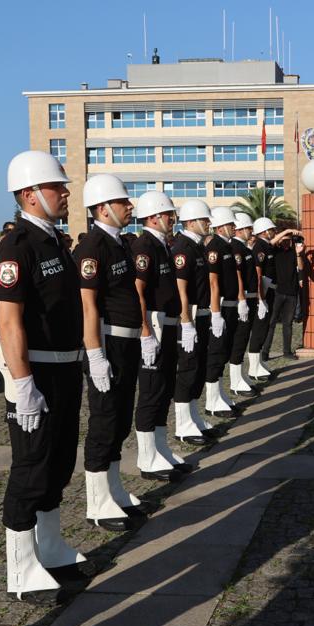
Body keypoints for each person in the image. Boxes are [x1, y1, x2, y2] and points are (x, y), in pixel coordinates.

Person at [0, 150, 90, 604]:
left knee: (59, 461)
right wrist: (22, 383)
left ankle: (49, 547)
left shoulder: (56, 243)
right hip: (37, 372)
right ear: (29, 195)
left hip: (65, 367)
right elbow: (9, 322)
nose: (65, 193)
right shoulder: (17, 247)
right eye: (56, 187)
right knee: (30, 468)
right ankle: (20, 567)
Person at [72, 174, 149, 531]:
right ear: (103, 208)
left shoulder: (118, 243)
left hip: (127, 339)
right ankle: (97, 500)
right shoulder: (91, 247)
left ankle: (114, 490)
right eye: (122, 202)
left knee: (119, 420)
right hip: (109, 342)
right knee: (104, 421)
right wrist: (96, 355)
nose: (129, 206)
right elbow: (88, 305)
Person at [131, 190, 196, 481]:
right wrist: (145, 331)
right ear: (155, 216)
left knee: (164, 389)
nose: (173, 218)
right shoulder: (145, 246)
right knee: (151, 392)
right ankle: (147, 457)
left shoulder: (161, 245)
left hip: (168, 323)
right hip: (154, 325)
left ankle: (160, 449)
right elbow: (138, 291)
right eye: (169, 214)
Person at [171, 199, 220, 445]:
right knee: (188, 370)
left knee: (198, 369)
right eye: (205, 220)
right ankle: (183, 424)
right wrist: (186, 322)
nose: (209, 223)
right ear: (191, 221)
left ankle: (193, 416)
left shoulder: (198, 246)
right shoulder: (182, 248)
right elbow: (181, 288)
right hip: (188, 317)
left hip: (200, 314)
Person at [201, 207, 244, 417]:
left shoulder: (226, 246)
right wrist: (216, 313)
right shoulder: (215, 247)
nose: (234, 228)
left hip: (230, 305)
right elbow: (213, 280)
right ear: (220, 226)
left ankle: (219, 394)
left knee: (225, 351)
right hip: (220, 306)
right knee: (216, 353)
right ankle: (211, 401)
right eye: (231, 224)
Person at [227, 212, 261, 395]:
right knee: (239, 340)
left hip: (249, 297)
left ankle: (240, 375)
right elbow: (238, 275)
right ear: (239, 229)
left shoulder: (245, 248)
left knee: (244, 338)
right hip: (244, 298)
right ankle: (235, 381)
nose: (251, 231)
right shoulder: (236, 248)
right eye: (248, 228)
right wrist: (242, 299)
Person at [262, 229, 305, 360]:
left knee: (288, 324)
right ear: (280, 240)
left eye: (288, 240)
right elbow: (271, 242)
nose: (286, 242)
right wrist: (287, 231)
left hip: (292, 293)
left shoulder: (294, 252)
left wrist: (298, 254)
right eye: (284, 240)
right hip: (277, 292)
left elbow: (301, 268)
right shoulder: (275, 251)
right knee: (271, 323)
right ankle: (265, 352)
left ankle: (287, 352)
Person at [247, 217, 278, 382]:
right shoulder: (259, 246)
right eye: (271, 229)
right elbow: (258, 274)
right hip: (264, 290)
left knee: (264, 328)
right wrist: (261, 299)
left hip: (270, 290)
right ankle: (253, 367)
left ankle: (258, 363)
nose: (273, 231)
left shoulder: (266, 245)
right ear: (264, 231)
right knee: (259, 329)